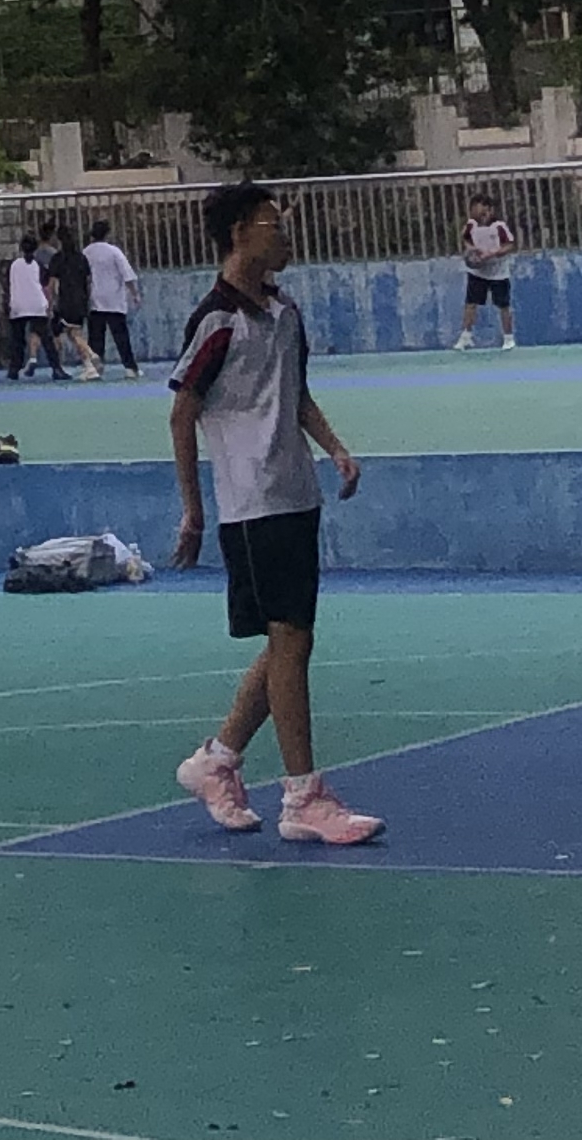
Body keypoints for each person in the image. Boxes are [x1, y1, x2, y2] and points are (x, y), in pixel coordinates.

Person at [167, 181, 379, 848]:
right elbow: (181, 413)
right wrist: (194, 511)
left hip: (296, 493)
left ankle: (218, 760)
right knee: (290, 639)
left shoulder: (286, 312)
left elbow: (296, 394)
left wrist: (335, 448)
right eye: (271, 224)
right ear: (238, 234)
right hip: (250, 501)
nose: (284, 236)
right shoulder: (215, 321)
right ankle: (303, 797)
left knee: (292, 639)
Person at [452, 195, 518, 352]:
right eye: (475, 208)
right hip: (478, 272)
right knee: (471, 303)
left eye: (481, 208)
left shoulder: (499, 226)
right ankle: (466, 337)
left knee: (503, 305)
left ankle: (508, 338)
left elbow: (510, 245)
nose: (478, 212)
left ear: (489, 209)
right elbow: (465, 238)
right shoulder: (471, 225)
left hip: (499, 272)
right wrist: (471, 249)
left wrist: (492, 253)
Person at [81, 226, 142, 377]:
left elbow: (83, 275)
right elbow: (127, 274)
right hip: (115, 300)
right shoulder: (114, 251)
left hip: (95, 299)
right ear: (107, 235)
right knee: (121, 336)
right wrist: (135, 294)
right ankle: (130, 368)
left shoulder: (86, 252)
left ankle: (95, 368)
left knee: (96, 337)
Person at [43, 230, 101, 381]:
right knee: (73, 332)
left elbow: (52, 284)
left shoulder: (57, 259)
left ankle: (90, 354)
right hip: (81, 299)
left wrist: (49, 303)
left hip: (66, 300)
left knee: (73, 333)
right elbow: (88, 280)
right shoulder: (81, 258)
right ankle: (88, 366)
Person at [3, 235, 54, 380]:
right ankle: (56, 368)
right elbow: (45, 284)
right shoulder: (38, 265)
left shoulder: (13, 265)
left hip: (18, 305)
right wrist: (49, 304)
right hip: (37, 305)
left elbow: (7, 284)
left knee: (17, 341)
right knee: (46, 339)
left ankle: (14, 369)